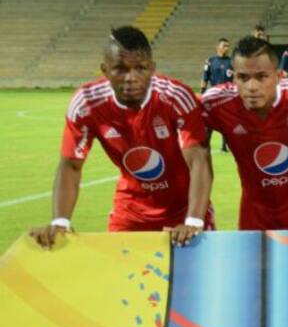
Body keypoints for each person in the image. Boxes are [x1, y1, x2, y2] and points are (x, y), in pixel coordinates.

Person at [30, 26, 213, 249]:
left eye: (140, 68)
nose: (131, 78)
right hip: (131, 210)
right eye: (120, 69)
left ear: (152, 68)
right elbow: (71, 165)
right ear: (105, 70)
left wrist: (193, 221)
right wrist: (60, 222)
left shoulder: (175, 97)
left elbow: (199, 159)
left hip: (184, 208)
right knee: (117, 270)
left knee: (195, 270)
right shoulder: (87, 103)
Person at [201, 37, 288, 230]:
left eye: (261, 77)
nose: (252, 87)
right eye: (243, 77)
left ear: (278, 76)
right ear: (233, 77)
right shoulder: (216, 103)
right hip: (254, 222)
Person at [202, 37, 233, 151]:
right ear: (218, 47)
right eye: (224, 45)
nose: (227, 48)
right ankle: (206, 144)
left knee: (226, 121)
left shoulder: (231, 62)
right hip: (213, 96)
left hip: (227, 96)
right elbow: (205, 78)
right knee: (209, 121)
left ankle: (225, 145)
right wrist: (202, 92)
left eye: (228, 46)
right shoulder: (210, 61)